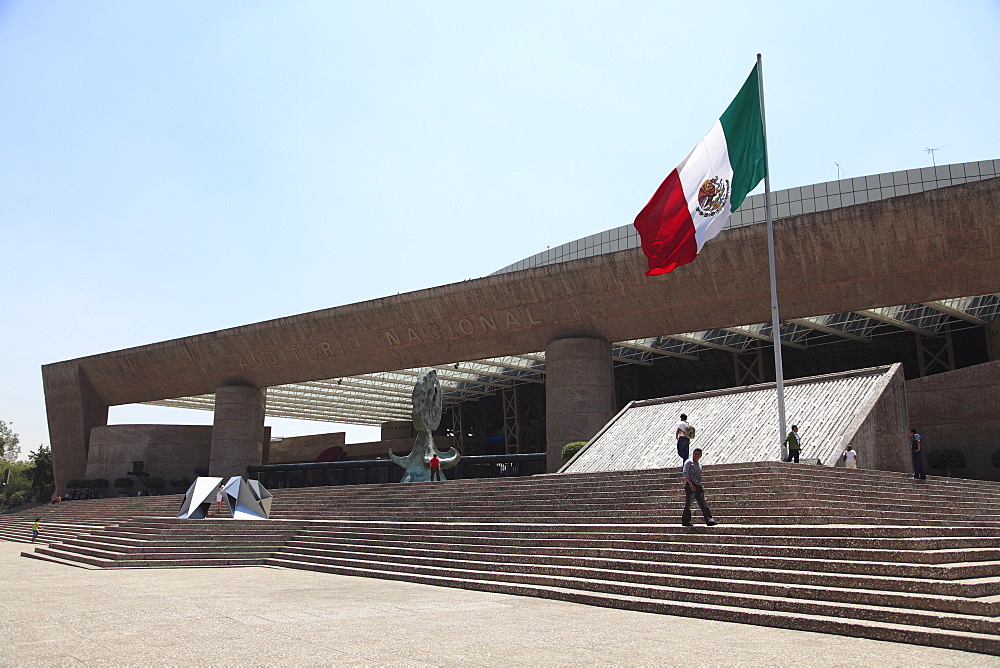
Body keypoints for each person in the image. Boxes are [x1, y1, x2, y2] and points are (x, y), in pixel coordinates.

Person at [681, 448, 717, 527]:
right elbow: (685, 472)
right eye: (695, 453)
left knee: (703, 503)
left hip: (698, 486)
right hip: (690, 485)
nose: (696, 455)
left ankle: (709, 520)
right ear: (693, 454)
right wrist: (690, 484)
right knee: (689, 504)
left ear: (701, 455)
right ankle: (685, 521)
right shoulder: (689, 462)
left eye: (698, 454)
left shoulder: (699, 464)